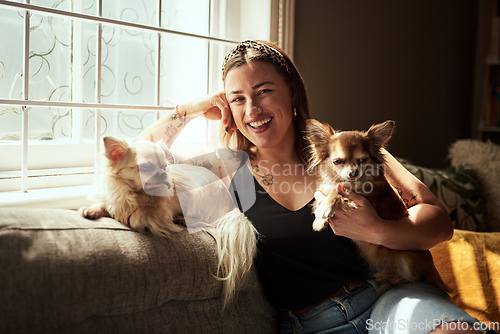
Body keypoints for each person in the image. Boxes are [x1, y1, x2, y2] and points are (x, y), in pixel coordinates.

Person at [137, 40, 491, 334]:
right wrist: (190, 109)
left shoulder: (349, 149)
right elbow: (140, 168)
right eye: (238, 98)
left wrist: (379, 229)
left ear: (291, 93)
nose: (253, 109)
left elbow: (439, 224)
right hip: (311, 326)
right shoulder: (226, 168)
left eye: (263, 91)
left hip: (389, 302)